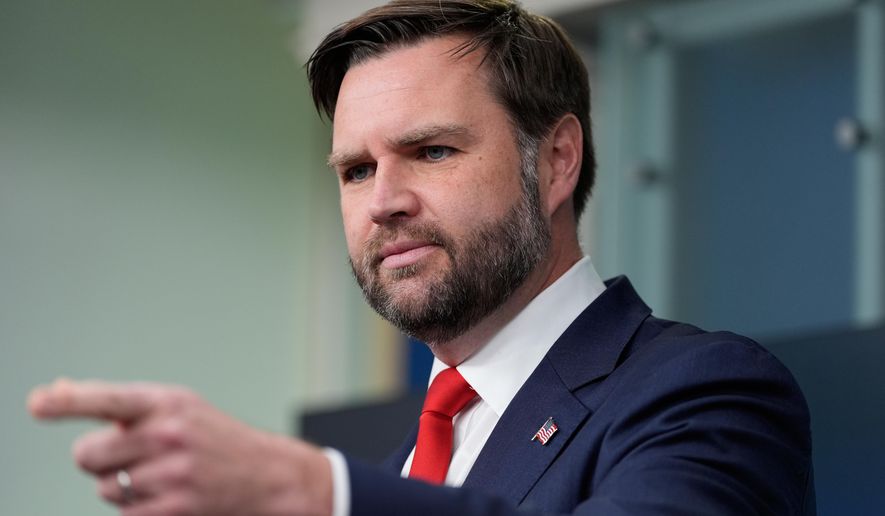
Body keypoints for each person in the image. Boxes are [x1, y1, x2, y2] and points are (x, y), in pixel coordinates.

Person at [28, 1, 815, 515]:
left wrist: (307, 488)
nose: (383, 201)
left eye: (431, 151)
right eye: (355, 170)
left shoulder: (705, 391)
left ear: (559, 159)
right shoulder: (404, 465)